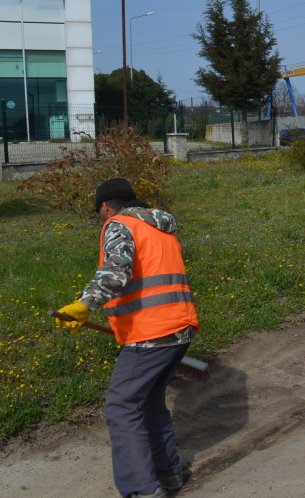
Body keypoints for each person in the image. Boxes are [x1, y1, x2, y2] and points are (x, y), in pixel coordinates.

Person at [54, 178, 198, 498]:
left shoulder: (119, 225)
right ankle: (169, 472)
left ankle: (142, 489)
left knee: (121, 405)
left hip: (151, 333)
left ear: (106, 207)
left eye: (100, 212)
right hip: (180, 327)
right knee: (148, 402)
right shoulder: (159, 227)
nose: (102, 217)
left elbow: (117, 272)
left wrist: (83, 305)